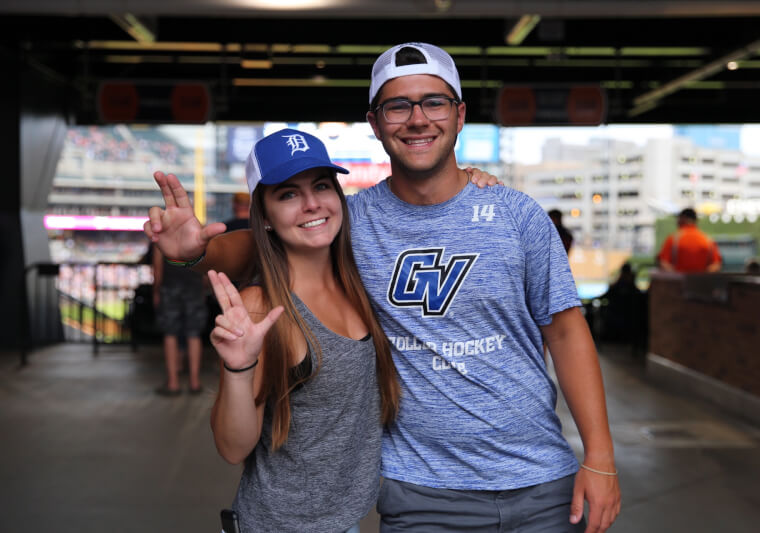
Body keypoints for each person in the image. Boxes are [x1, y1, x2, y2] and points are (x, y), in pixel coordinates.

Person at [145, 42, 620, 532]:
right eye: (398, 106)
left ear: (459, 115)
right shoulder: (352, 222)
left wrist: (600, 456)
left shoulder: (516, 215)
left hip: (542, 483)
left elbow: (567, 333)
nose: (418, 119)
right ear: (375, 123)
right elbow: (268, 242)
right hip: (421, 494)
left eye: (434, 102)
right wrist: (193, 252)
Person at [207, 128, 401, 532]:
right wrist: (238, 369)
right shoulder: (262, 306)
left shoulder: (360, 281)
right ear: (265, 217)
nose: (312, 203)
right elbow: (232, 447)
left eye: (321, 186)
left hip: (346, 521)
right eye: (288, 194)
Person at [152, 245, 206, 395]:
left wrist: (156, 291)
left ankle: (173, 383)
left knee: (170, 334)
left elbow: (157, 268)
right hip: (194, 287)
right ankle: (195, 382)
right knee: (194, 334)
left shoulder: (161, 236)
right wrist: (202, 289)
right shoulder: (196, 234)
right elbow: (205, 264)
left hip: (169, 286)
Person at [657, 207, 722, 273]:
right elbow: (716, 265)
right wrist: (702, 275)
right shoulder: (707, 240)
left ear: (682, 219)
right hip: (701, 279)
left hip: (679, 278)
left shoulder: (673, 239)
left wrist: (676, 274)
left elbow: (663, 263)